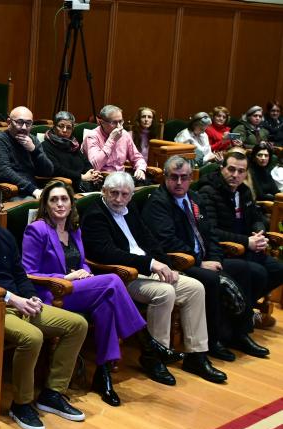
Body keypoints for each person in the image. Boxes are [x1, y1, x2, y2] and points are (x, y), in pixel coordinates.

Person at [0, 183, 87, 429]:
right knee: (31, 337)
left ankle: (52, 393)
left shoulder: (4, 235)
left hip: (18, 301)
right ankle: (21, 404)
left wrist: (32, 297)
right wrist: (14, 299)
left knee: (77, 324)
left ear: (0, 209)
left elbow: (20, 273)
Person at [82, 172, 226, 385]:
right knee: (164, 292)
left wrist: (165, 263)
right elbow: (107, 253)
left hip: (147, 270)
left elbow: (149, 240)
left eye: (125, 194)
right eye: (114, 193)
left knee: (196, 288)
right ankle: (154, 356)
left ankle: (196, 355)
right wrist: (151, 264)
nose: (119, 199)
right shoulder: (95, 215)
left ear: (131, 195)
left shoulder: (129, 211)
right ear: (104, 191)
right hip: (122, 277)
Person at [22, 181, 147, 406]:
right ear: (46, 205)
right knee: (112, 281)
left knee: (106, 303)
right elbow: (29, 272)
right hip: (52, 292)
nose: (60, 204)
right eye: (54, 200)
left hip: (77, 290)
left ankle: (103, 374)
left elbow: (83, 263)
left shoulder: (74, 228)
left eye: (64, 199)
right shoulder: (37, 229)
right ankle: (144, 340)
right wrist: (64, 279)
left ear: (71, 203)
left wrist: (86, 274)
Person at [142, 156, 271, 360]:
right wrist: (200, 262)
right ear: (165, 178)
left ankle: (239, 333)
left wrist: (216, 258)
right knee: (210, 280)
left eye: (184, 177)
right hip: (180, 262)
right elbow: (167, 242)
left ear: (191, 178)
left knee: (247, 269)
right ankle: (213, 340)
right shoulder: (158, 204)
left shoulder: (194, 199)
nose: (178, 182)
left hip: (205, 259)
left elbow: (208, 233)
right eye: (174, 177)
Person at [198, 148, 283, 309]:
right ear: (222, 168)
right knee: (259, 273)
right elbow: (211, 231)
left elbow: (257, 217)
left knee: (279, 270)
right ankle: (241, 311)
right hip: (225, 250)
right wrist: (247, 241)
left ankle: (242, 306)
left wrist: (259, 233)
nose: (235, 175)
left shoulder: (243, 191)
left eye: (241, 171)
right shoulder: (208, 191)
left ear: (246, 174)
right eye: (231, 169)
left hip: (247, 247)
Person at [0, 106, 54, 199]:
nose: (24, 127)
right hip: (10, 192)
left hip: (32, 190)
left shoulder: (32, 140)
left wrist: (34, 150)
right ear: (9, 122)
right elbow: (4, 172)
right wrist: (33, 189)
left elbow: (48, 171)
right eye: (20, 122)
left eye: (28, 123)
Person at [84, 104, 148, 183]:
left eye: (120, 121)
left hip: (122, 179)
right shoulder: (92, 136)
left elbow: (137, 158)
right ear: (102, 122)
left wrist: (140, 169)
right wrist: (111, 140)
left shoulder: (124, 134)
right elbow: (95, 165)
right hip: (101, 180)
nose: (119, 126)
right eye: (114, 122)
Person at [41, 111, 101, 192]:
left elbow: (85, 162)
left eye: (68, 127)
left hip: (83, 185)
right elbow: (56, 169)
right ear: (54, 127)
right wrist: (81, 177)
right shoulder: (46, 145)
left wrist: (92, 173)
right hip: (63, 187)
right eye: (61, 126)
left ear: (72, 129)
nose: (65, 130)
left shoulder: (73, 144)